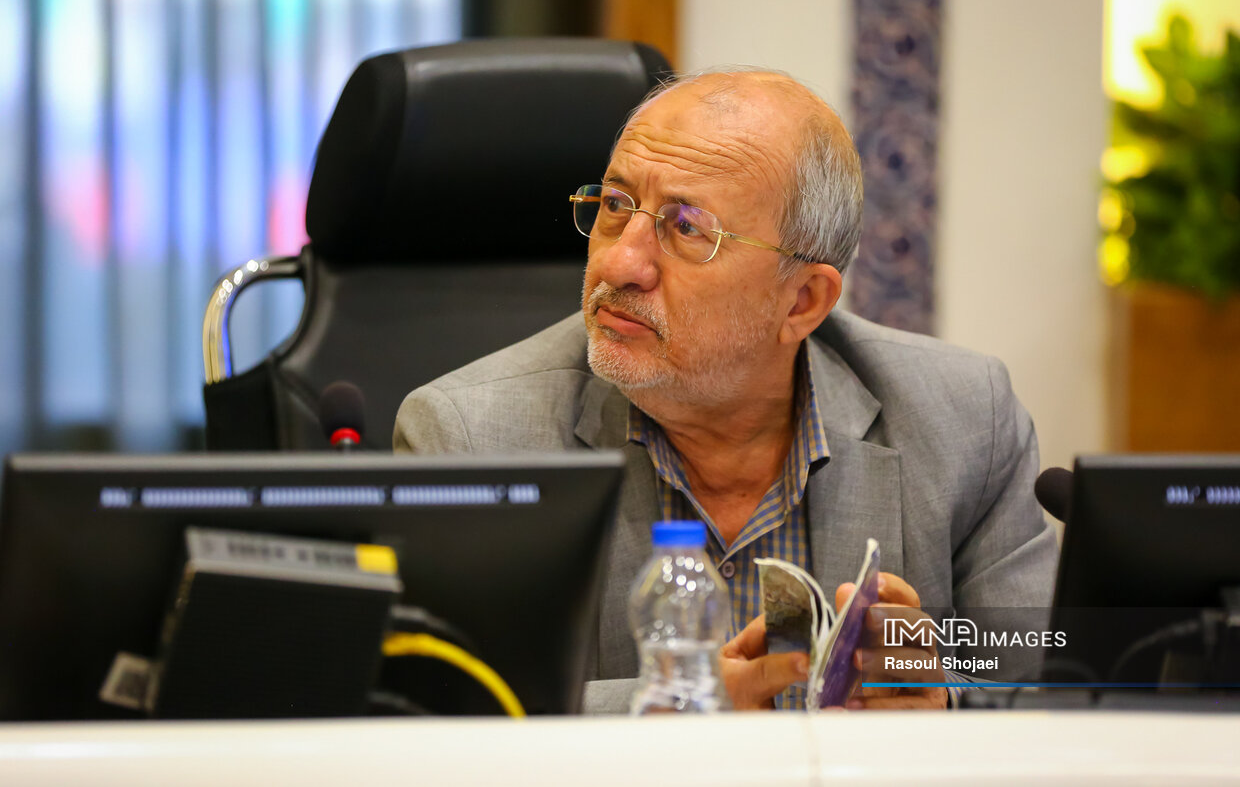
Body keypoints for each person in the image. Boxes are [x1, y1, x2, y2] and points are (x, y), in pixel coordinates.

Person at [393, 68, 1058, 712]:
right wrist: (675, 708)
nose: (619, 261)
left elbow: (1045, 682)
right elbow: (437, 712)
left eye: (686, 227)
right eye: (615, 205)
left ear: (802, 300)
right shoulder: (471, 440)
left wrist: (938, 696)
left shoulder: (965, 419)